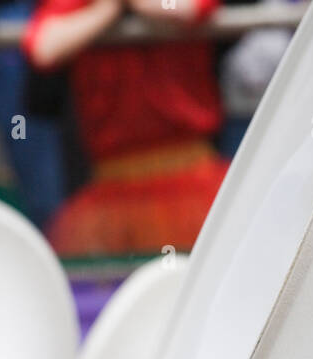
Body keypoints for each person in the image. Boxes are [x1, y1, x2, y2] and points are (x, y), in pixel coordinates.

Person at [22, 0, 228, 256]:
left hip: (190, 177)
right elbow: (43, 48)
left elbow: (194, 7)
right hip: (113, 186)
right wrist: (104, 11)